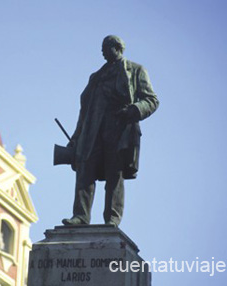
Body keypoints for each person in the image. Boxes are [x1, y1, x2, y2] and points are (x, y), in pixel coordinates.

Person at [62, 35, 159, 227]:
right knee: (85, 171)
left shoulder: (136, 70)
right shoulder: (96, 77)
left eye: (105, 47)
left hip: (119, 130)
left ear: (117, 48)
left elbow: (152, 100)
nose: (102, 51)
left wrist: (134, 109)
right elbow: (84, 111)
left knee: (115, 175)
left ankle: (112, 219)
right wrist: (76, 137)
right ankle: (80, 216)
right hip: (92, 131)